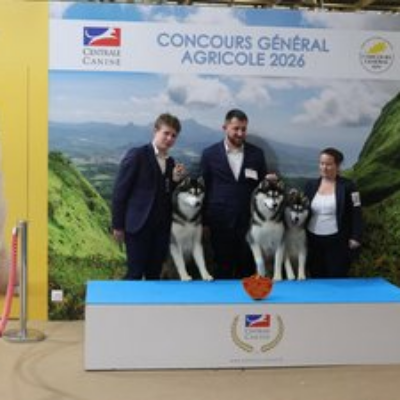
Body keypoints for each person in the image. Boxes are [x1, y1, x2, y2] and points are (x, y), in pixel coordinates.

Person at [112, 113, 186, 280]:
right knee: (135, 274)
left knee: (154, 274)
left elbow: (166, 194)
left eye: (174, 135)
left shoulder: (171, 162)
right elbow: (120, 192)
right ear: (155, 131)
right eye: (166, 133)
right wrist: (118, 226)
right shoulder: (137, 155)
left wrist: (175, 181)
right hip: (137, 227)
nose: (169, 138)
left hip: (161, 229)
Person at [200, 109, 270, 279]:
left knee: (247, 268)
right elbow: (204, 188)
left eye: (243, 129)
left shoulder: (257, 154)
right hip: (219, 221)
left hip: (250, 222)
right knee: (222, 266)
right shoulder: (209, 154)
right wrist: (204, 221)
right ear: (225, 127)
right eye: (236, 128)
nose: (240, 133)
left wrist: (270, 182)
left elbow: (262, 188)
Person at [304, 147, 363, 278]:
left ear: (338, 165)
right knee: (316, 276)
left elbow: (357, 212)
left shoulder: (349, 186)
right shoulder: (310, 185)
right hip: (313, 240)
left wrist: (356, 237)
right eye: (321, 163)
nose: (324, 168)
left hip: (338, 241)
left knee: (337, 276)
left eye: (328, 164)